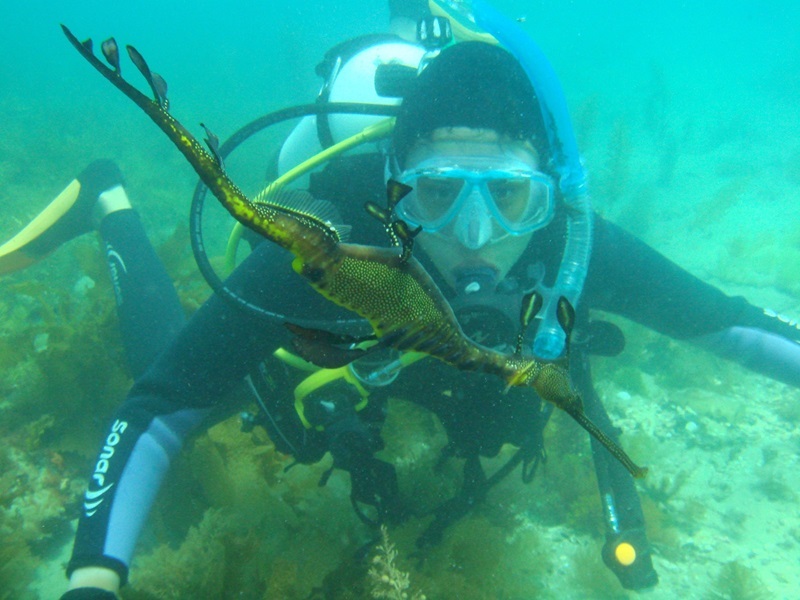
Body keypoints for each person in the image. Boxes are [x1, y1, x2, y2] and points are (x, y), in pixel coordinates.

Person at [3, 2, 799, 598]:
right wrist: (91, 580)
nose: (477, 235)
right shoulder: (337, 251)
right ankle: (107, 198)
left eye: (509, 198)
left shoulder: (570, 246)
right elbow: (159, 407)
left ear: (548, 198)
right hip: (329, 357)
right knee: (170, 367)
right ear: (391, 193)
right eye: (439, 194)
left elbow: (730, 326)